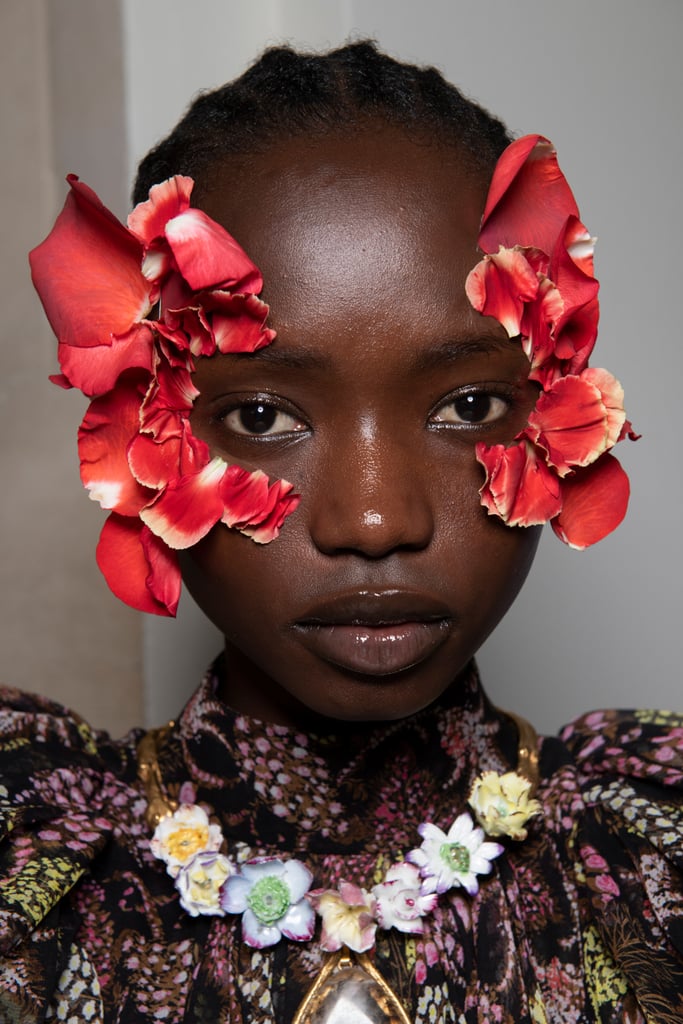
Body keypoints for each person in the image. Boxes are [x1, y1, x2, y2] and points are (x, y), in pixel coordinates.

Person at [1, 41, 681, 1023]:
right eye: (262, 416)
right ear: (145, 431)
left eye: (470, 405)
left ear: (557, 414)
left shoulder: (650, 857)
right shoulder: (33, 868)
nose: (375, 520)